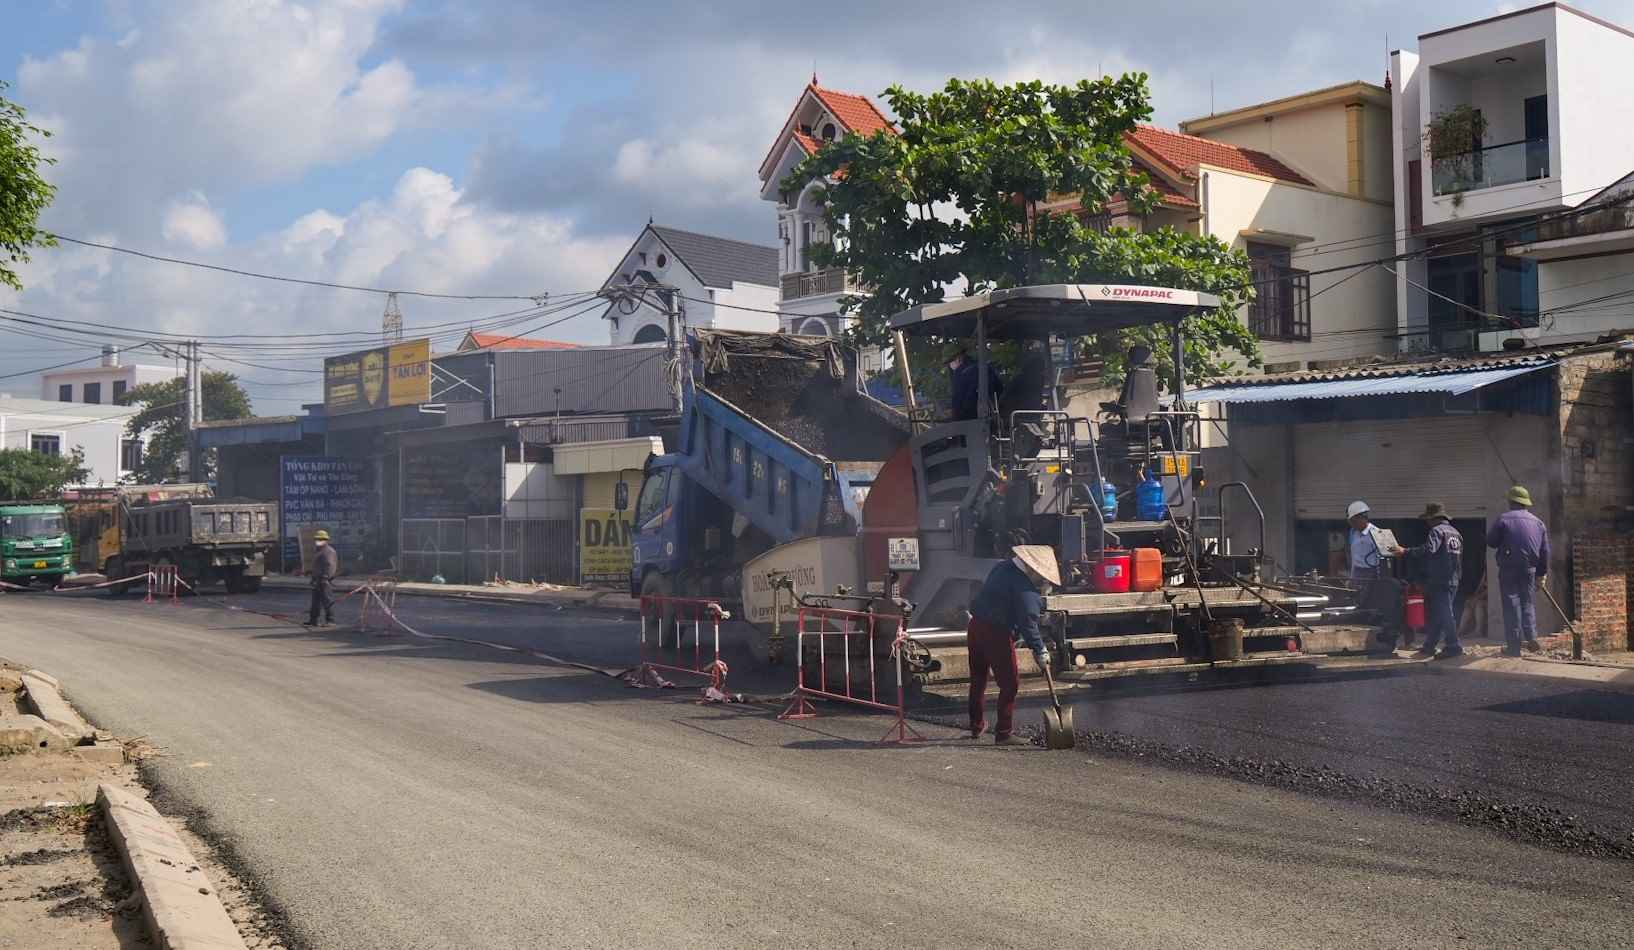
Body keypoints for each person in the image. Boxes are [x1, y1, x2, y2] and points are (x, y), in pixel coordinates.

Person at [966, 544, 1059, 747]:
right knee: (1010, 684)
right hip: (996, 632)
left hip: (975, 626)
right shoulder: (1024, 587)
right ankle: (1004, 733)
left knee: (978, 678)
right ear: (1032, 568)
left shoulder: (1002, 567)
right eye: (1041, 576)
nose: (1042, 581)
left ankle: (976, 725)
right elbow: (1029, 623)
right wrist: (1040, 650)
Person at [1487, 485, 1550, 657]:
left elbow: (1491, 542)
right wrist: (1541, 575)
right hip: (1530, 569)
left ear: (1511, 501)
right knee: (1527, 603)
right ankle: (1531, 637)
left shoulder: (1503, 519)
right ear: (1525, 503)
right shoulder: (1538, 522)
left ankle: (1513, 648)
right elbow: (1545, 552)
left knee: (1511, 605)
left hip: (1508, 569)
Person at [1394, 504, 1464, 658]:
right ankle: (1429, 646)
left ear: (1433, 519)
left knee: (1445, 614)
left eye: (1427, 519)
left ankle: (1453, 646)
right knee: (1440, 613)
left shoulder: (1437, 531)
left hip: (1441, 581)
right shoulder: (1455, 533)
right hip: (1453, 579)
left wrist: (1405, 551)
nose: (1426, 523)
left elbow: (1429, 550)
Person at [947, 348, 1003, 422]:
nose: (950, 366)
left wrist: (955, 419)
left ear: (958, 359)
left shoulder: (959, 372)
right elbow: (1000, 388)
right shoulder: (986, 366)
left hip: (969, 420)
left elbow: (957, 399)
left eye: (949, 362)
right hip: (992, 414)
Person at [1345, 500, 1388, 580]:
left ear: (1362, 518)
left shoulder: (1377, 533)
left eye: (1353, 521)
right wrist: (1351, 577)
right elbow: (1354, 558)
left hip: (1372, 573)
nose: (1352, 524)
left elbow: (1384, 560)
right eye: (1350, 522)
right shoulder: (1353, 533)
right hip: (1357, 573)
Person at [305, 529, 339, 627]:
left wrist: (325, 577)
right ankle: (313, 620)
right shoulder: (319, 551)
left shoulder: (329, 551)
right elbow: (317, 566)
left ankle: (331, 620)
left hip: (324, 581)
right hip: (317, 580)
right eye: (317, 539)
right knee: (315, 601)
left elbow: (330, 566)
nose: (318, 541)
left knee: (327, 601)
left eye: (321, 539)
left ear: (326, 540)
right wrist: (312, 576)